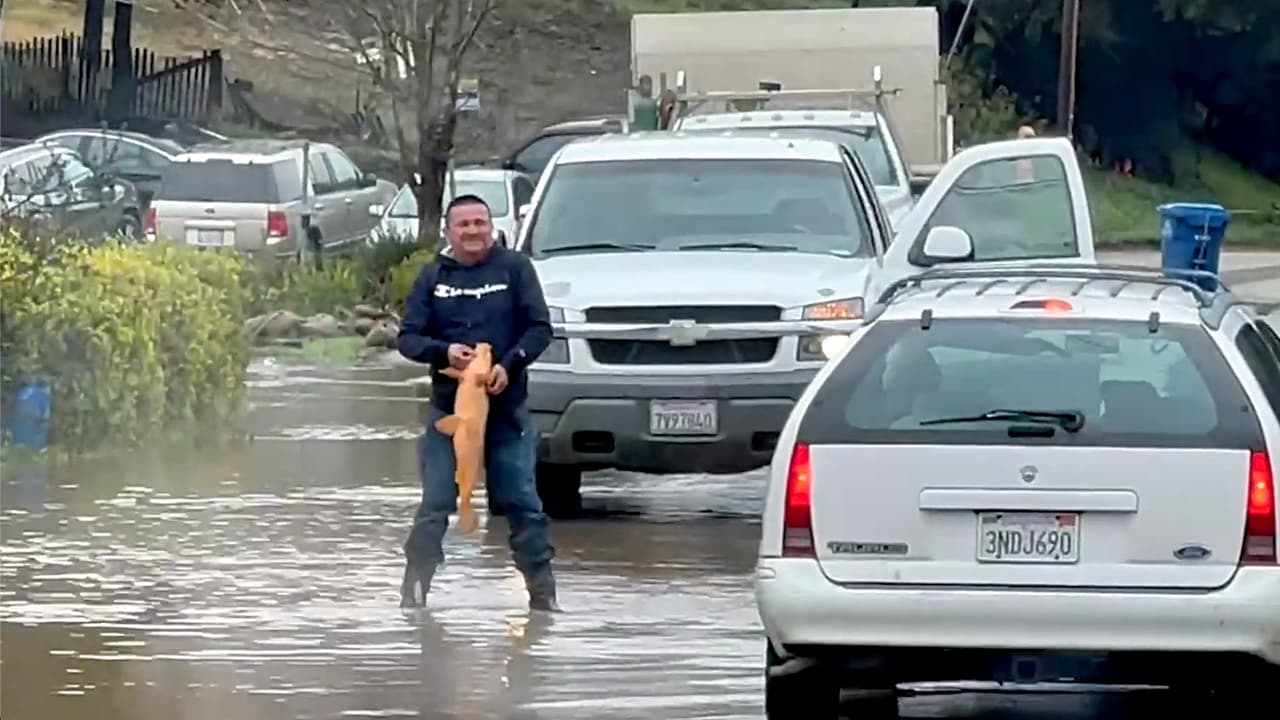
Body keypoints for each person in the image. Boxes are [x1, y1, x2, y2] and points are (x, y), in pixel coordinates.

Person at [396, 193, 559, 612]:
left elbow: (540, 328)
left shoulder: (516, 269)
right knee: (435, 502)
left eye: (480, 223)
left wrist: (509, 365)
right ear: (449, 231)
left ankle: (543, 599)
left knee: (523, 503)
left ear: (492, 226)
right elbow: (408, 338)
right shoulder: (433, 276)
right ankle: (413, 596)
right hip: (450, 414)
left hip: (506, 415)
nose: (473, 231)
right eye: (463, 224)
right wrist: (444, 353)